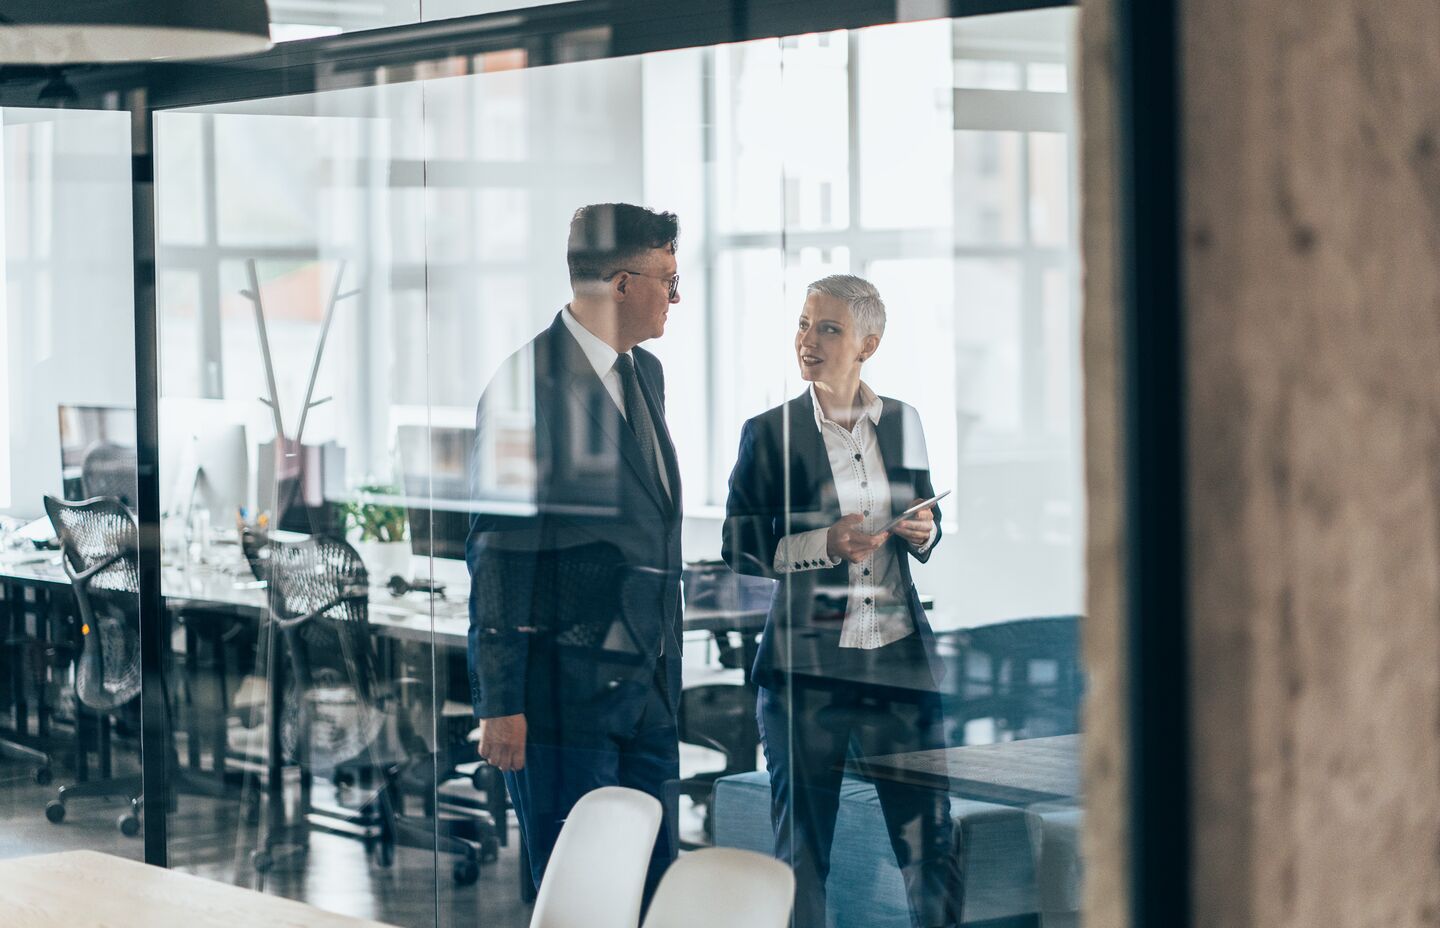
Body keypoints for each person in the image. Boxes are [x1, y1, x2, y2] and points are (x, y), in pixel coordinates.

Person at [722, 274, 961, 928]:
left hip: (898, 669)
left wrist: (923, 531)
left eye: (828, 328)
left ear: (868, 344)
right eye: (804, 324)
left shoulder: (903, 421)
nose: (809, 340)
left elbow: (926, 515)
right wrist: (823, 542)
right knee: (802, 857)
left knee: (930, 846)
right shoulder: (768, 433)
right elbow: (737, 544)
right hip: (807, 675)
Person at [466, 203, 684, 899]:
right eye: (667, 280)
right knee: (581, 893)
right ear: (622, 284)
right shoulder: (524, 385)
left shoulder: (644, 374)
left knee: (653, 887)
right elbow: (496, 557)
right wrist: (498, 702)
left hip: (647, 688)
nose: (675, 297)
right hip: (563, 698)